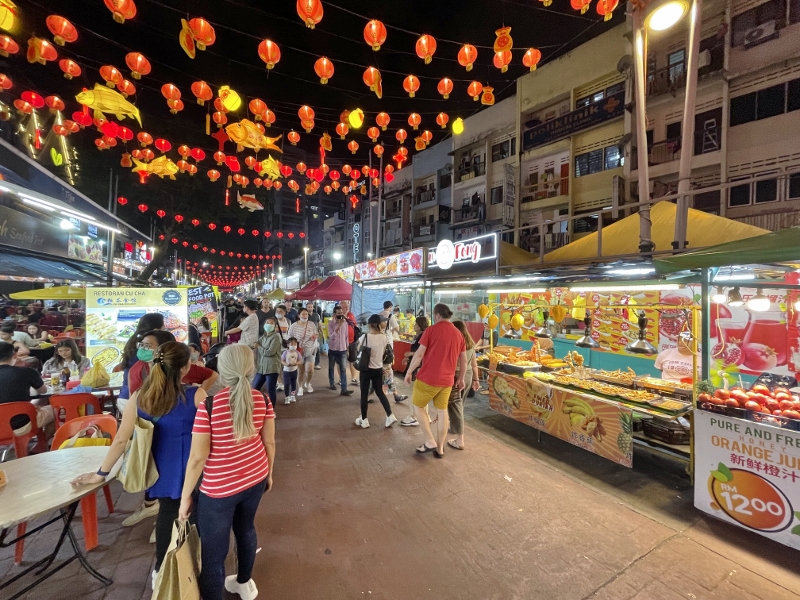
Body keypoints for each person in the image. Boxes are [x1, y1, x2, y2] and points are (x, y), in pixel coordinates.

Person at [72, 341, 205, 589]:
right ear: (186, 367)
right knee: (196, 515)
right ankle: (192, 569)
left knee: (167, 514)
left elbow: (121, 438)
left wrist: (101, 474)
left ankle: (161, 571)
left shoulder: (139, 396)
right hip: (194, 468)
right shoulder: (196, 395)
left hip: (160, 469)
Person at [178, 344, 275, 600]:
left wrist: (186, 496)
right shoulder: (262, 398)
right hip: (256, 476)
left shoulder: (209, 406)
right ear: (251, 368)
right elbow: (270, 443)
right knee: (246, 530)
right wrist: (270, 473)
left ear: (221, 369)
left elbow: (198, 458)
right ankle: (244, 583)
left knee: (213, 554)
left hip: (218, 489)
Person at [404, 304, 467, 458]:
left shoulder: (430, 330)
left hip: (428, 378)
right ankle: (439, 449)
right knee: (442, 411)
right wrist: (461, 378)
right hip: (447, 381)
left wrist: (409, 372)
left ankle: (429, 440)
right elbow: (463, 361)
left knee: (418, 406)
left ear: (437, 315)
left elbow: (419, 354)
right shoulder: (459, 334)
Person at [0, 341, 51, 452]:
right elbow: (43, 391)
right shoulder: (27, 372)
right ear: (14, 355)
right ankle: (41, 447)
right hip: (21, 425)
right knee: (53, 409)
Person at [354, 315, 397, 429]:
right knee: (380, 392)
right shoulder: (384, 338)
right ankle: (390, 415)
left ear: (369, 325)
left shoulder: (365, 337)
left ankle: (364, 420)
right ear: (379, 324)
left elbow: (358, 349)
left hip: (366, 369)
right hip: (378, 369)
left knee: (364, 394)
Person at [117, 313, 166, 410]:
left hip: (125, 397)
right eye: (163, 325)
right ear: (156, 329)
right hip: (136, 400)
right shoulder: (146, 357)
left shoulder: (133, 342)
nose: (165, 328)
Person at [447, 321, 481, 451]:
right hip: (468, 375)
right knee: (460, 403)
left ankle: (460, 439)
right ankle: (454, 427)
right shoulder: (470, 344)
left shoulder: (456, 344)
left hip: (457, 376)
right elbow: (474, 364)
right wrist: (476, 379)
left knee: (455, 405)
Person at [127, 330, 178, 396]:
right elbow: (132, 398)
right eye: (142, 344)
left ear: (164, 347)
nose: (142, 348)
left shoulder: (177, 367)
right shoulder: (136, 369)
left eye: (147, 345)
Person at [401, 316, 429, 427]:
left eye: (416, 324)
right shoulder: (421, 336)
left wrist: (410, 354)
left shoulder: (423, 336)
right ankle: (422, 414)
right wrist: (409, 357)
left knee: (414, 392)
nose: (414, 326)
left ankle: (414, 416)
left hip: (418, 367)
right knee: (418, 392)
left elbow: (422, 352)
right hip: (416, 365)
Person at [253, 316, 283, 408]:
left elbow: (270, 352)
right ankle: (256, 407)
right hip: (261, 367)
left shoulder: (276, 337)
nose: (269, 325)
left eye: (271, 323)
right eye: (267, 323)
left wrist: (259, 347)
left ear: (275, 326)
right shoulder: (263, 337)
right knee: (254, 388)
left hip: (271, 368)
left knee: (270, 390)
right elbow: (254, 343)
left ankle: (271, 410)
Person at [288, 308, 318, 396]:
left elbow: (316, 333)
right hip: (298, 351)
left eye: (306, 314)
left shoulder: (311, 324)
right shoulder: (294, 326)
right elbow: (289, 338)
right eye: (303, 314)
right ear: (299, 315)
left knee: (310, 370)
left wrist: (315, 336)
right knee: (300, 370)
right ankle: (300, 387)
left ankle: (307, 383)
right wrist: (293, 346)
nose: (305, 316)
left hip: (310, 350)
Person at [379, 317, 407, 404]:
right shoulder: (378, 336)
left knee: (388, 378)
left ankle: (395, 395)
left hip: (384, 362)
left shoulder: (383, 334)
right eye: (383, 322)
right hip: (379, 363)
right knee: (381, 380)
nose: (385, 324)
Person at [327, 304, 353, 396]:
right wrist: (338, 326)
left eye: (341, 313)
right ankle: (332, 383)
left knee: (343, 369)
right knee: (331, 367)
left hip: (342, 349)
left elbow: (346, 337)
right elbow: (331, 337)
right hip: (333, 349)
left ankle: (344, 389)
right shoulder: (330, 323)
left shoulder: (345, 323)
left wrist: (347, 348)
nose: (340, 315)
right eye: (338, 313)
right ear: (334, 314)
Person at [340, 300, 360, 387]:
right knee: (341, 362)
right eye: (344, 307)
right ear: (340, 308)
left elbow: (355, 325)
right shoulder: (337, 316)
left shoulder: (351, 315)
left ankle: (354, 378)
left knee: (353, 360)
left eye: (347, 307)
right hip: (341, 343)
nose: (346, 308)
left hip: (352, 342)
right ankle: (341, 379)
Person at [281, 337, 301, 403]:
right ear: (288, 345)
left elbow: (300, 360)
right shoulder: (285, 352)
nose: (293, 346)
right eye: (291, 344)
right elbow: (282, 360)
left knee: (293, 383)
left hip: (294, 371)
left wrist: (296, 363)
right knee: (286, 384)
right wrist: (286, 364)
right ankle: (287, 397)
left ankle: (293, 395)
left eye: (295, 344)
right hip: (286, 371)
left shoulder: (297, 353)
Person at [306, 301, 323, 370]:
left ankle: (316, 363)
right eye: (308, 307)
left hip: (315, 334)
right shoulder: (305, 315)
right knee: (307, 348)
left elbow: (319, 324)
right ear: (306, 308)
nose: (310, 308)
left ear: (313, 308)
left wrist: (321, 332)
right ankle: (306, 363)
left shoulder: (316, 315)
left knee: (316, 348)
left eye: (311, 307)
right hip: (307, 335)